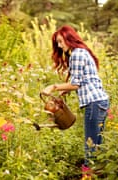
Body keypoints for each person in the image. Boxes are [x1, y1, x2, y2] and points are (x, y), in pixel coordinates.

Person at [42, 25, 109, 176]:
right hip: (101, 101)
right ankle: (98, 174)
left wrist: (53, 87)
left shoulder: (77, 54)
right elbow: (83, 80)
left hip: (94, 103)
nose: (59, 45)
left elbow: (76, 83)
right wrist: (65, 89)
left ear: (69, 38)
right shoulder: (82, 52)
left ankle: (88, 176)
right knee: (98, 143)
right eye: (57, 43)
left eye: (60, 41)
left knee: (90, 144)